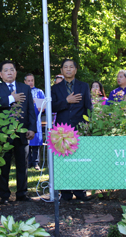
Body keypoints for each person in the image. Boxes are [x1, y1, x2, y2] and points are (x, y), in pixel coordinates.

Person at [0, 60, 37, 205]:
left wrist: (32, 128)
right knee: (4, 165)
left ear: (16, 72)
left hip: (22, 132)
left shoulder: (25, 88)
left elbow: (30, 110)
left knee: (23, 165)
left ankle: (22, 194)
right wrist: (11, 98)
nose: (9, 72)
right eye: (6, 70)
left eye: (12, 70)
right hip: (3, 133)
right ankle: (4, 196)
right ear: (1, 74)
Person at [51, 59, 92, 202]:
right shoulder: (55, 88)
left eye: (71, 67)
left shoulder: (84, 86)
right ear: (61, 70)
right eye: (65, 67)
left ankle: (80, 192)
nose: (68, 69)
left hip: (79, 128)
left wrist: (88, 125)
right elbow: (53, 107)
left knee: (79, 161)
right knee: (64, 161)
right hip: (61, 130)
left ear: (75, 70)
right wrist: (66, 101)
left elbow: (89, 107)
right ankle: (66, 193)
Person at [24, 73, 45, 171]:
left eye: (32, 80)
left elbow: (44, 105)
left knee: (36, 141)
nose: (31, 82)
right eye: (28, 80)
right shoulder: (23, 91)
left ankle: (36, 162)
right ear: (25, 82)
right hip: (26, 120)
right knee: (26, 142)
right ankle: (27, 162)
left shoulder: (39, 91)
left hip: (36, 119)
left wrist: (42, 108)